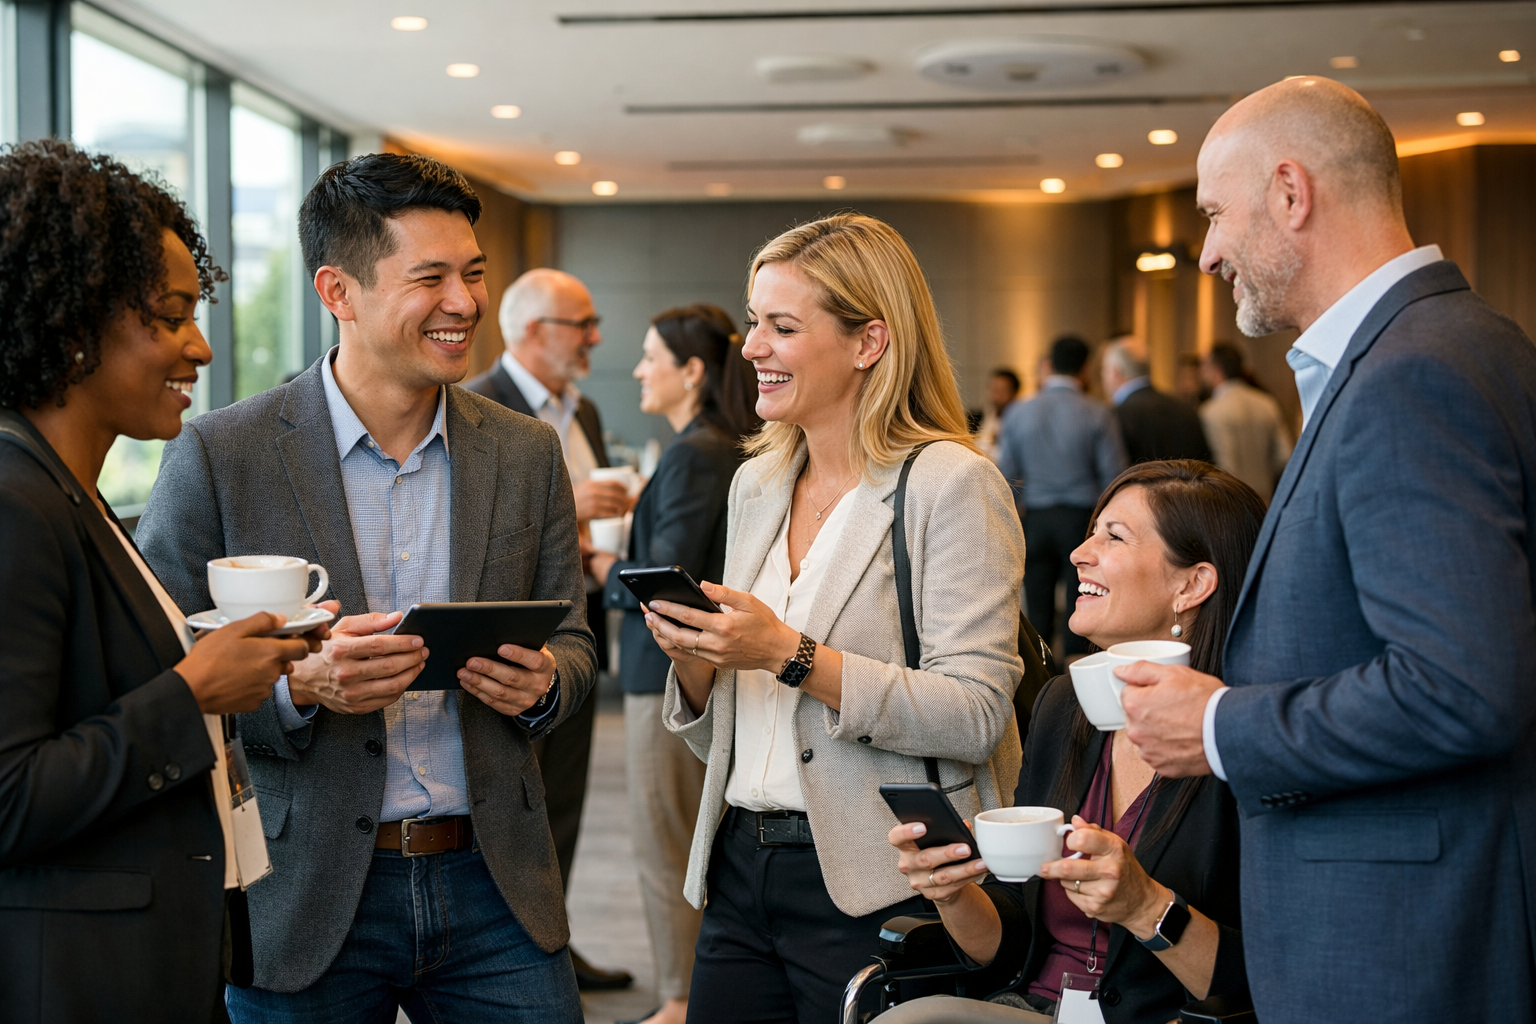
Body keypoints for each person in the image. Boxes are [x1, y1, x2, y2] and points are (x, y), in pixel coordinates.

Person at [137, 153, 597, 1023]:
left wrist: (546, 687)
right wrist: (295, 689)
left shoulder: (525, 451)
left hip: (494, 884)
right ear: (337, 292)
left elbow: (573, 639)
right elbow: (159, 660)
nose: (464, 302)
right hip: (303, 888)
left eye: (473, 274)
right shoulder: (222, 454)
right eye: (430, 277)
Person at [1119, 77, 1536, 1023]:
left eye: (1216, 214)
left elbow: (1462, 689)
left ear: (1291, 193)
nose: (1209, 251)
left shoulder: (1411, 373)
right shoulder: (1458, 343)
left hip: (1404, 938)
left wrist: (1222, 727)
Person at [643, 213, 1026, 1024]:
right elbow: (735, 733)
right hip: (738, 871)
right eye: (753, 322)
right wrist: (697, 658)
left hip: (880, 881)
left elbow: (978, 714)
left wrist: (788, 653)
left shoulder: (950, 485)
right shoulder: (758, 485)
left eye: (782, 326)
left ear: (869, 343)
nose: (750, 348)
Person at [0, 141, 323, 1022]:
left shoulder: (74, 495)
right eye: (169, 316)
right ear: (73, 325)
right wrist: (194, 692)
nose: (202, 347)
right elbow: (9, 795)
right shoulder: (15, 502)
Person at [884, 461, 1265, 1024]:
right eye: (1092, 530)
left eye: (1113, 536)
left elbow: (1264, 978)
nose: (1078, 553)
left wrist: (1144, 906)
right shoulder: (1066, 704)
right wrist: (951, 891)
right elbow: (1007, 948)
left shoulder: (1242, 734)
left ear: (1192, 584)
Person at [586, 304, 761, 1024]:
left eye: (652, 356)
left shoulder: (698, 449)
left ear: (691, 371)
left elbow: (671, 576)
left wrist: (602, 565)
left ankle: (680, 999)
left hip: (669, 670)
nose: (637, 369)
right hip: (690, 670)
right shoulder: (715, 445)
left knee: (665, 839)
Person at [461, 266, 634, 991]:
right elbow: (473, 528)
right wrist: (571, 497)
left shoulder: (583, 410)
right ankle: (499, 952)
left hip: (574, 638)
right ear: (533, 332)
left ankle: (553, 940)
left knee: (566, 800)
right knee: (511, 806)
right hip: (503, 653)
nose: (595, 337)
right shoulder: (473, 405)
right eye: (581, 324)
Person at [995, 335, 1128, 658]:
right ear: (1084, 369)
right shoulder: (1097, 412)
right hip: (1081, 521)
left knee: (1037, 607)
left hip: (1036, 520)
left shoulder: (1018, 412)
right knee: (1081, 603)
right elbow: (1115, 476)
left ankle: (1042, 681)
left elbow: (1005, 476)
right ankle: (1075, 678)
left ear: (1049, 365)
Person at [1197, 342, 1292, 503]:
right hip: (1265, 500)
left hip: (1230, 502)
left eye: (1205, 367)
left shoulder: (1211, 411)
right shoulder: (1267, 403)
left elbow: (1224, 464)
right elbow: (1284, 456)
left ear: (1216, 371)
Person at [1101, 337, 1212, 465]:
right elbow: (1205, 464)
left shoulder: (1114, 416)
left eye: (1105, 370)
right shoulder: (1185, 409)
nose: (1103, 377)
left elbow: (1115, 470)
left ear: (1116, 372)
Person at [975, 367, 1021, 461]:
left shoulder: (1020, 422)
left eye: (1002, 390)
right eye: (993, 389)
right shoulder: (978, 417)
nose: (997, 395)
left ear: (1014, 393)